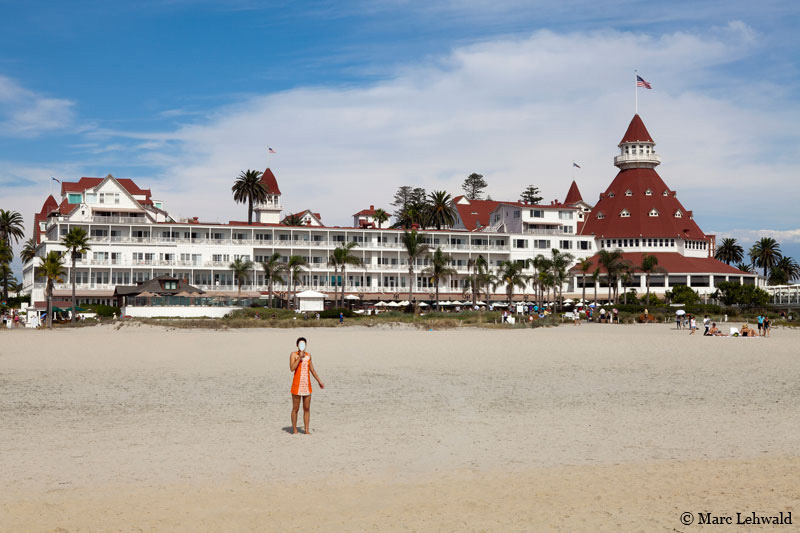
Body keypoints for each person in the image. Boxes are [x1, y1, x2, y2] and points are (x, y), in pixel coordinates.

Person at [289, 337, 325, 435]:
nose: (302, 346)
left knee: (307, 408)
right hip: (297, 385)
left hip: (306, 385)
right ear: (297, 345)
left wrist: (319, 381)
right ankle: (295, 429)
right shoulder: (293, 354)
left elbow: (312, 370)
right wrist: (299, 358)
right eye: (300, 344)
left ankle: (306, 430)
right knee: (295, 408)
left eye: (304, 344)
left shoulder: (309, 356)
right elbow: (292, 368)